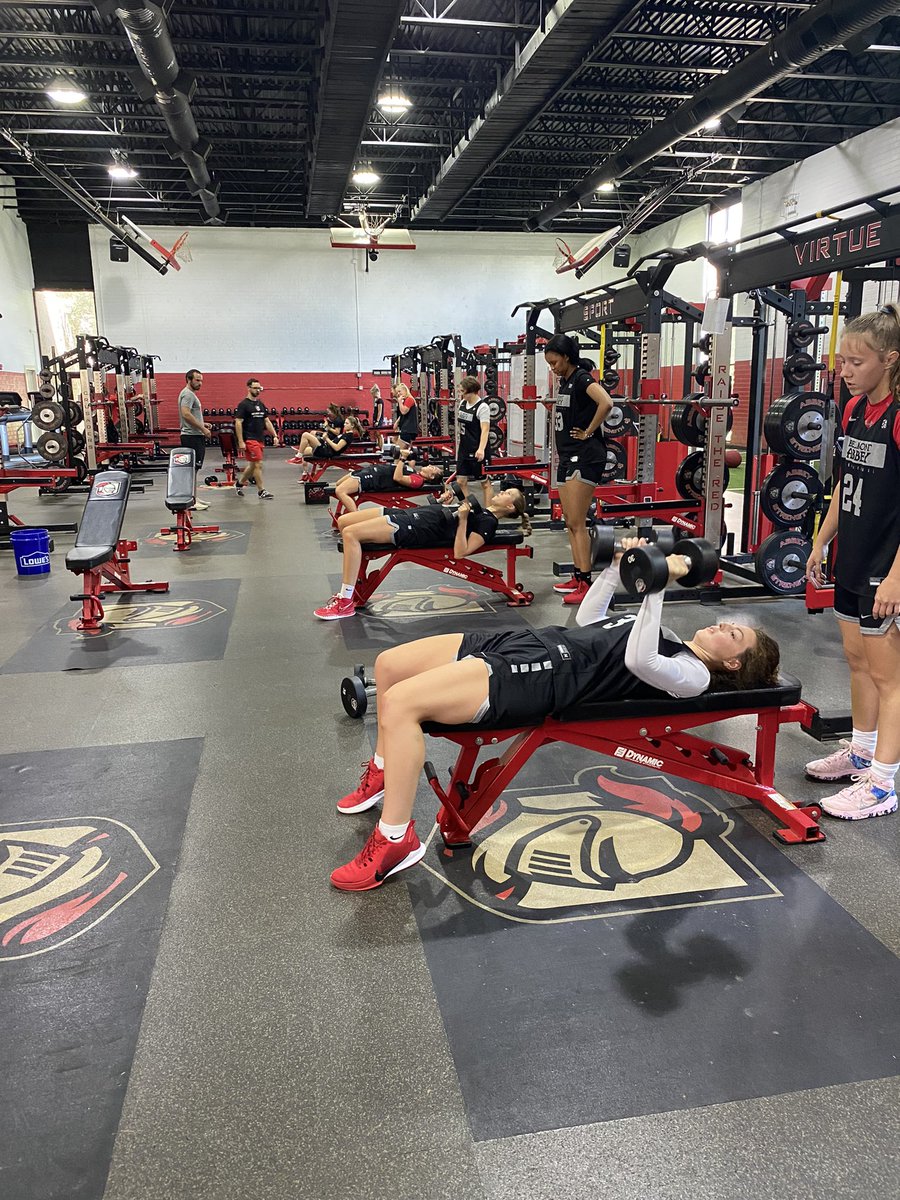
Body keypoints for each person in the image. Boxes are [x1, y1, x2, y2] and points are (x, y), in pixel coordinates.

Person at [329, 539, 780, 890]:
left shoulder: (694, 675)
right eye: (730, 624)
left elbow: (639, 661)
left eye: (733, 635)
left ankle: (395, 839)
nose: (724, 625)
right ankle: (385, 771)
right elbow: (589, 619)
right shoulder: (666, 634)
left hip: (545, 675)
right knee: (389, 666)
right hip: (531, 642)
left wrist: (655, 586)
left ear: (733, 663)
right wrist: (614, 568)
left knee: (400, 703)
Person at [805, 302, 900, 821]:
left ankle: (883, 785)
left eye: (856, 362)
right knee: (858, 662)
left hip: (887, 567)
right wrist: (821, 542)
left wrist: (896, 578)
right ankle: (861, 753)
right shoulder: (854, 410)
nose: (844, 371)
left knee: (891, 679)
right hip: (853, 559)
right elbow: (846, 484)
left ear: (890, 359)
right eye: (842, 361)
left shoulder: (899, 416)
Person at [314, 486, 530, 620]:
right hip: (410, 515)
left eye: (507, 494)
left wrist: (463, 518)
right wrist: (444, 504)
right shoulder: (481, 510)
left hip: (416, 528)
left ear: (511, 507)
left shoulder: (488, 523)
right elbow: (450, 519)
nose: (502, 492)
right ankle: (355, 578)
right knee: (344, 522)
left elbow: (461, 552)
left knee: (351, 534)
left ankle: (345, 601)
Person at [544, 333, 614, 606]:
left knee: (577, 523)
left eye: (555, 362)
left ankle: (586, 583)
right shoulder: (566, 382)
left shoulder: (583, 378)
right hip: (568, 456)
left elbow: (606, 402)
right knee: (570, 522)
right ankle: (577, 576)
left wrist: (589, 431)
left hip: (585, 456)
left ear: (567, 357)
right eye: (549, 364)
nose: (553, 368)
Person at [332, 451, 444, 514]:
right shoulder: (414, 472)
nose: (430, 465)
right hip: (370, 471)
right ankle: (351, 511)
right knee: (338, 484)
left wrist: (403, 458)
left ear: (431, 476)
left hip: (373, 478)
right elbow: (397, 468)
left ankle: (356, 518)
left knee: (340, 491)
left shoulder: (418, 481)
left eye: (433, 468)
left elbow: (397, 478)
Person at [235, 378, 279, 499]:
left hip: (259, 439)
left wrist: (275, 435)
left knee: (253, 465)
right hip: (249, 439)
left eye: (259, 388)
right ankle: (261, 491)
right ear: (248, 388)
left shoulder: (260, 404)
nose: (258, 390)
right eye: (255, 388)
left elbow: (267, 421)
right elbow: (238, 422)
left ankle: (239, 483)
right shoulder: (243, 405)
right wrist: (241, 441)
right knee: (258, 464)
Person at [455, 375, 493, 508]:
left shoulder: (482, 407)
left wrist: (481, 449)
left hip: (477, 449)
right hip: (464, 448)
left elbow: (485, 429)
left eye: (462, 391)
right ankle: (468, 509)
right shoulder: (462, 403)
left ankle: (489, 512)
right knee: (460, 481)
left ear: (470, 391)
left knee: (485, 483)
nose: (461, 394)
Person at [178, 368, 212, 512]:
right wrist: (203, 429)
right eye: (197, 380)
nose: (200, 383)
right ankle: (191, 501)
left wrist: (203, 423)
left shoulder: (189, 394)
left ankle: (194, 498)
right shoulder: (188, 394)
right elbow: (186, 414)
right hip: (192, 436)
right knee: (192, 470)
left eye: (201, 381)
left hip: (193, 435)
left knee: (194, 469)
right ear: (189, 379)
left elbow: (190, 414)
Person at [296, 416, 365, 480]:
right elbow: (333, 442)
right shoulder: (345, 434)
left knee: (305, 435)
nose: (344, 425)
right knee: (303, 451)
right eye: (344, 423)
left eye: (347, 423)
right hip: (325, 448)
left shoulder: (348, 436)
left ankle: (298, 457)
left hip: (326, 451)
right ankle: (306, 473)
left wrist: (327, 439)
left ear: (352, 425)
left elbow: (337, 448)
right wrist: (325, 439)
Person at [393, 382, 418, 449]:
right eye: (397, 392)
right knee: (395, 441)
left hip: (408, 430)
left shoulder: (409, 399)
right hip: (406, 429)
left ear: (405, 390)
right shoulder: (406, 400)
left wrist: (399, 402)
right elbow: (402, 414)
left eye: (399, 391)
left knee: (398, 451)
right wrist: (397, 422)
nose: (398, 394)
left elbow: (403, 411)